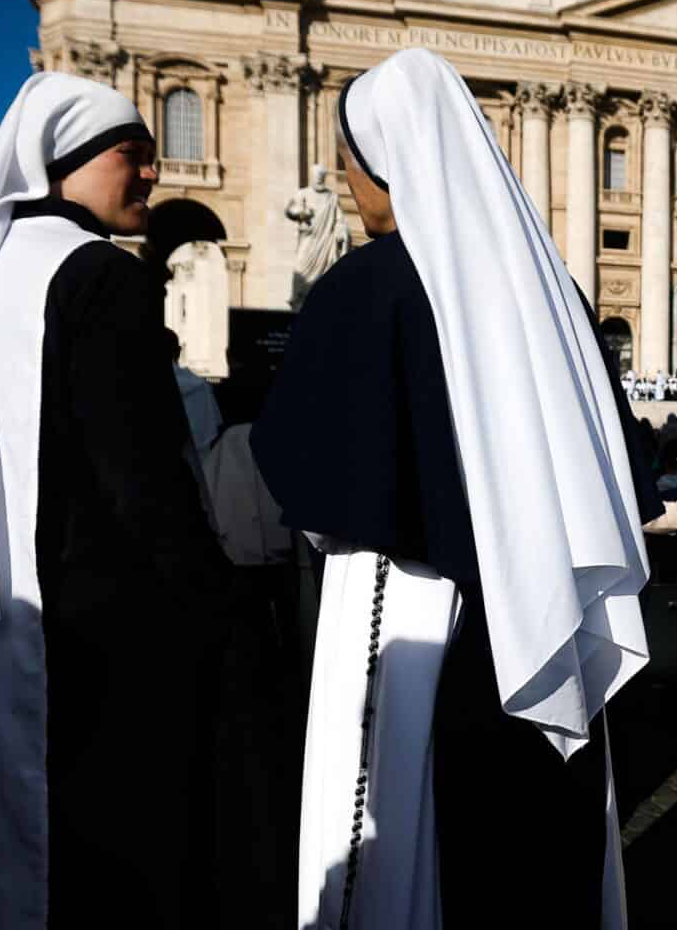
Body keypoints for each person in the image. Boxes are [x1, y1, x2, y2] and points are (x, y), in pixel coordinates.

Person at [0, 71, 276, 928]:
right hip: (106, 622)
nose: (155, 175)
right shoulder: (102, 279)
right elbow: (143, 475)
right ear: (67, 160)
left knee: (11, 829)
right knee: (121, 848)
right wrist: (222, 603)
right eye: (135, 155)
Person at [253, 48, 654, 929]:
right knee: (535, 835)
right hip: (541, 597)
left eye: (350, 161)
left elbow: (293, 460)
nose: (346, 181)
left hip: (409, 602)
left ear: (387, 159)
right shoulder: (550, 291)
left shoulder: (362, 288)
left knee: (405, 830)